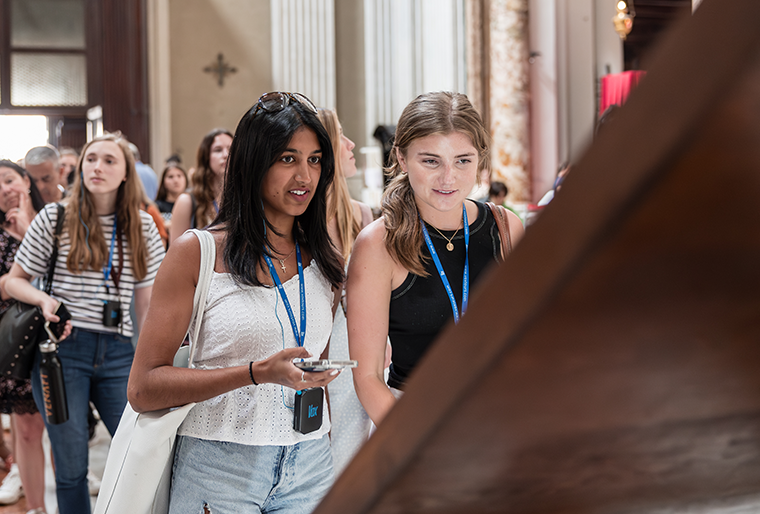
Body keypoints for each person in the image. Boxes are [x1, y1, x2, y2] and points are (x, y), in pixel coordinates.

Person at [128, 92, 345, 513]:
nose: (304, 176)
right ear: (252, 163)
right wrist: (256, 373)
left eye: (315, 160)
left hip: (311, 461)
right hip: (219, 465)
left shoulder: (324, 259)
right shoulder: (198, 252)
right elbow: (143, 388)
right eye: (287, 158)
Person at [5, 132, 166, 514]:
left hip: (120, 352)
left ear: (127, 172)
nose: (97, 167)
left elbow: (147, 304)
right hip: (63, 352)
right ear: (81, 167)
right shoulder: (55, 216)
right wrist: (44, 298)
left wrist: (153, 359)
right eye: (91, 159)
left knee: (137, 452)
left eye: (109, 160)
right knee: (71, 464)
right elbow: (13, 280)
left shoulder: (143, 227)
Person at [347, 91, 524, 426]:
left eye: (463, 160)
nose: (448, 177)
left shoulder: (506, 228)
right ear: (401, 157)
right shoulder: (377, 244)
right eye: (430, 161)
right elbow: (367, 376)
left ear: (480, 159)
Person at [315, 108, 374, 474]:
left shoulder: (363, 216)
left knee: (347, 467)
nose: (351, 144)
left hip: (354, 359)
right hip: (308, 356)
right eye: (341, 135)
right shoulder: (297, 220)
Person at [0, 160, 46, 511]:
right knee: (27, 427)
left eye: (9, 180)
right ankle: (36, 507)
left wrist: (27, 231)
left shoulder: (47, 223)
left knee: (48, 426)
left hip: (51, 337)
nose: (5, 189)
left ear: (25, 182)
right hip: (13, 341)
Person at [169, 128, 232, 244]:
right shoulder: (187, 201)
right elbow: (174, 255)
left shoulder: (242, 198)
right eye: (218, 150)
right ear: (206, 157)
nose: (225, 155)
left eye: (231, 149)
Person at [155, 163, 189, 237]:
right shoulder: (156, 206)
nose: (176, 180)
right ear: (163, 181)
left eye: (179, 176)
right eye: (170, 177)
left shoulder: (193, 204)